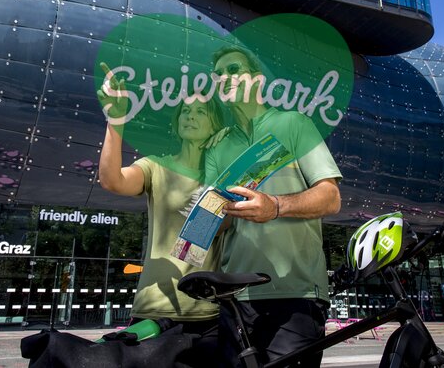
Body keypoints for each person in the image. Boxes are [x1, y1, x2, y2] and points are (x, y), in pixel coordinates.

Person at [204, 47, 343, 368]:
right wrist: (207, 217)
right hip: (236, 300)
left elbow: (330, 197)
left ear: (257, 79)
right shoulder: (218, 145)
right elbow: (220, 225)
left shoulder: (294, 123)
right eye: (218, 74)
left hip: (294, 296)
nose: (224, 78)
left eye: (233, 69)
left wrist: (276, 206)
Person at [96, 62, 227, 350]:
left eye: (201, 111)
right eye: (185, 111)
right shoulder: (156, 165)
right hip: (154, 310)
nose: (190, 116)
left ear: (215, 124)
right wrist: (116, 120)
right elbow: (112, 180)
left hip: (210, 314)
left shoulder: (224, 178)